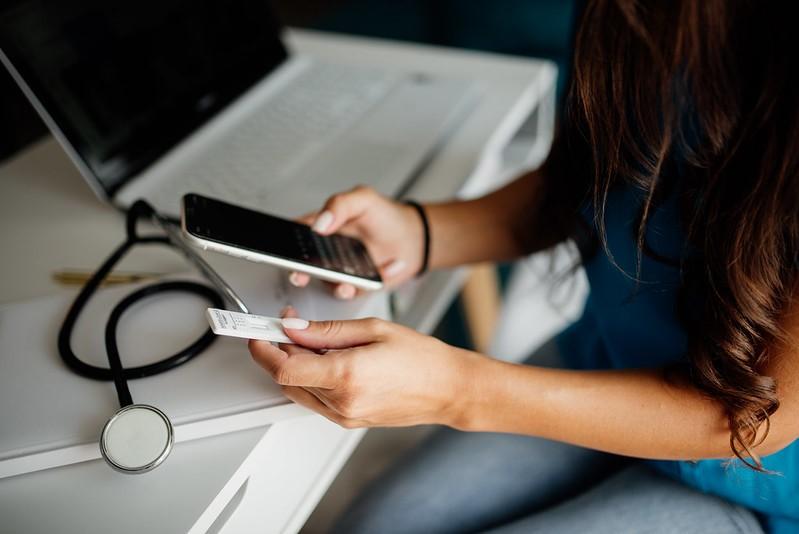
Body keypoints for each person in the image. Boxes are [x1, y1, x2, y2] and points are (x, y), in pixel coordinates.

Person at [248, 1, 799, 532]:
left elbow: (754, 417)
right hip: (605, 361)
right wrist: (419, 233)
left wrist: (457, 390)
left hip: (760, 475)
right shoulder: (630, 15)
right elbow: (594, 173)